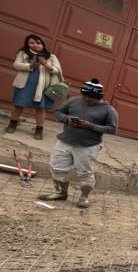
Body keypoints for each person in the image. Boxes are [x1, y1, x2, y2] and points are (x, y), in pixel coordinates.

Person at [38, 79, 118, 208]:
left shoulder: (109, 110)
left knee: (85, 173)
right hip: (65, 141)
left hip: (88, 146)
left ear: (98, 97)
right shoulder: (74, 101)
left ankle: (84, 197)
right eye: (84, 96)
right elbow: (58, 112)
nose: (86, 99)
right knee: (57, 167)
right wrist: (67, 119)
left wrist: (90, 126)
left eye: (90, 97)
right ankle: (60, 193)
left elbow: (112, 129)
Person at [4, 34, 63, 139]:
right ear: (27, 44)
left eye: (38, 43)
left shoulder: (51, 56)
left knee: (40, 109)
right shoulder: (23, 53)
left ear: (43, 44)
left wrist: (46, 65)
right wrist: (31, 65)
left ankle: (39, 130)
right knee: (18, 105)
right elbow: (16, 65)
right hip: (24, 84)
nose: (35, 45)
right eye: (31, 43)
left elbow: (57, 70)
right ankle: (12, 124)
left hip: (43, 87)